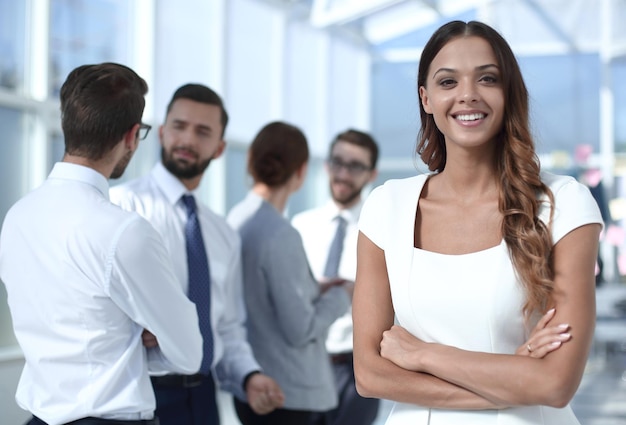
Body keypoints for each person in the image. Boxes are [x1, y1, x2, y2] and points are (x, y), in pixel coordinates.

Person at [352, 20, 604, 425]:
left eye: (487, 78)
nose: (468, 95)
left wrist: (421, 355)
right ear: (426, 98)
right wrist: (514, 378)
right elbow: (369, 374)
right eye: (448, 82)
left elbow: (556, 384)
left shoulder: (564, 204)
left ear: (509, 94)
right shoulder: (386, 208)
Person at [0, 63, 203, 425]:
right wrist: (137, 335)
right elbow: (188, 353)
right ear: (131, 136)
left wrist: (121, 334)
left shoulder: (16, 216)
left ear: (68, 125)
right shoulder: (123, 231)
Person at [110, 84, 284, 425]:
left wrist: (249, 375)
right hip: (142, 394)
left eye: (202, 132)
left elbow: (228, 326)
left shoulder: (222, 234)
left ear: (219, 148)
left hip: (204, 399)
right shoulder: (121, 207)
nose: (188, 140)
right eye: (179, 126)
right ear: (161, 133)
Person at [227, 121, 351, 425]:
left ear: (250, 160)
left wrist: (312, 287)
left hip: (253, 386)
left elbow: (260, 296)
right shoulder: (280, 233)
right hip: (288, 392)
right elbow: (301, 329)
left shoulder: (236, 219)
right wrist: (341, 295)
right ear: (301, 172)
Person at [291, 129, 380, 425]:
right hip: (303, 365)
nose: (343, 174)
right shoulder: (300, 226)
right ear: (327, 165)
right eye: (337, 163)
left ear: (371, 174)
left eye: (355, 166)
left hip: (356, 371)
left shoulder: (380, 233)